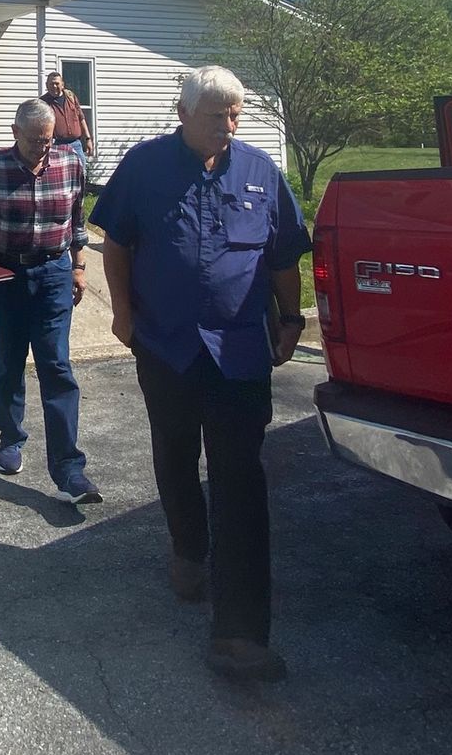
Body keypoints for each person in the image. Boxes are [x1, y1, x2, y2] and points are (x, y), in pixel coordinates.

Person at [89, 66, 310, 683]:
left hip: (239, 352)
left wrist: (291, 319)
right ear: (183, 113)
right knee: (176, 453)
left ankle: (240, 634)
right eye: (215, 114)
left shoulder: (261, 172)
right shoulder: (145, 166)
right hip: (167, 346)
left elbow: (283, 255)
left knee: (241, 476)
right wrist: (125, 316)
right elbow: (119, 243)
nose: (227, 124)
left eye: (235, 113)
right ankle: (189, 548)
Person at [0, 98, 101, 505]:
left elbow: (77, 219)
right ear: (15, 133)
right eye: (35, 140)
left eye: (49, 140)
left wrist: (79, 266)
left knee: (57, 366)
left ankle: (70, 469)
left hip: (53, 272)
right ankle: (11, 439)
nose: (43, 148)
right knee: (10, 361)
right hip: (4, 274)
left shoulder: (70, 164)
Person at [40, 70, 95, 176]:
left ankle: (80, 193)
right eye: (51, 84)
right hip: (57, 145)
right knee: (60, 176)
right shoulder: (43, 102)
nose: (54, 86)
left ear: (62, 84)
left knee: (81, 174)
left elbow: (81, 118)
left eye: (57, 83)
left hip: (76, 144)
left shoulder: (71, 97)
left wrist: (88, 139)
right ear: (47, 85)